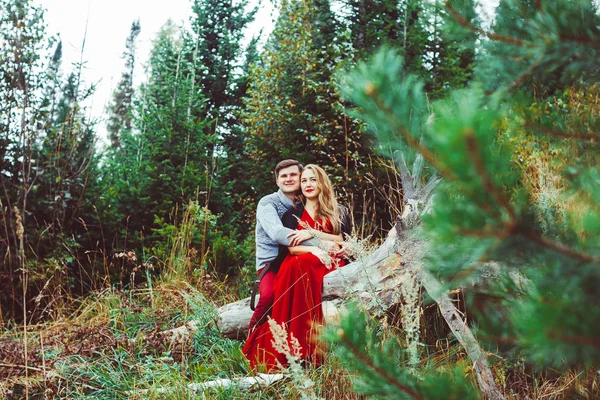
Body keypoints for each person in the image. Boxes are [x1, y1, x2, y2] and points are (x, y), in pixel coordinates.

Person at [243, 164, 351, 371]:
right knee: (269, 294)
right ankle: (276, 341)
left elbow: (342, 239)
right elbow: (289, 246)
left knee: (309, 267)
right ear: (278, 180)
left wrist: (314, 235)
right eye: (305, 181)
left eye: (312, 179)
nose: (308, 184)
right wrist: (316, 249)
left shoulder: (339, 210)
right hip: (286, 261)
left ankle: (316, 344)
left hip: (330, 259)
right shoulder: (291, 212)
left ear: (322, 182)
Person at [248, 159, 317, 331]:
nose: (288, 179)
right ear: (277, 181)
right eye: (283, 176)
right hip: (271, 264)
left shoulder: (308, 200)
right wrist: (322, 243)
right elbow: (277, 233)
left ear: (301, 177)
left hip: (300, 259)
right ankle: (251, 338)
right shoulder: (267, 203)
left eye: (293, 174)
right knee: (268, 297)